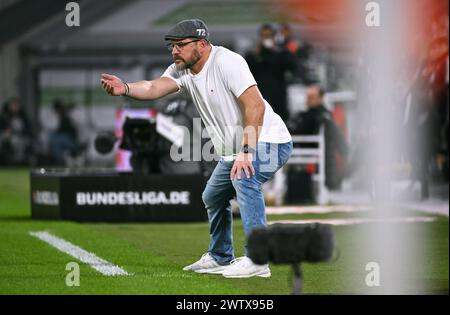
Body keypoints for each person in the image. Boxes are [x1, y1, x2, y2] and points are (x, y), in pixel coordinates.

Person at [101, 19, 292, 278]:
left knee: (245, 179)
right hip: (236, 149)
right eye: (172, 46)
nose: (174, 51)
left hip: (269, 141)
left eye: (180, 45)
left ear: (201, 45)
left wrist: (247, 151)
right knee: (212, 196)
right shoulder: (182, 70)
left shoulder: (227, 62)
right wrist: (124, 88)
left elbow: (255, 106)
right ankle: (220, 256)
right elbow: (153, 87)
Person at [287, 85, 348, 190]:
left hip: (307, 147)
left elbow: (299, 131)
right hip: (313, 147)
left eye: (311, 97)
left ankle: (344, 150)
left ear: (320, 98)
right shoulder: (321, 113)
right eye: (307, 96)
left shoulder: (317, 114)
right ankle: (344, 150)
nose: (307, 100)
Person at [245, 24, 297, 121]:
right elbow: (246, 69)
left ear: (273, 37)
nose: (266, 39)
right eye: (264, 36)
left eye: (269, 36)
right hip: (260, 96)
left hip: (278, 98)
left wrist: (278, 48)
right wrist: (257, 53)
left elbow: (293, 65)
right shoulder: (254, 55)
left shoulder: (281, 53)